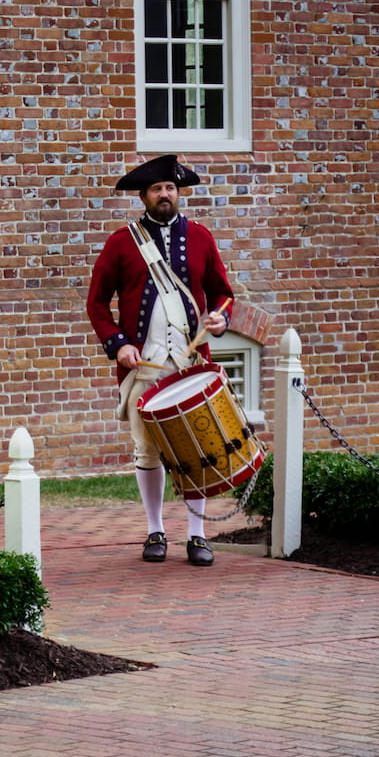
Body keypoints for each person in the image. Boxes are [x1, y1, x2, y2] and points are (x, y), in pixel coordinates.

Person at [86, 155, 235, 566]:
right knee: (146, 449)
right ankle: (155, 530)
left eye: (170, 188)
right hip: (144, 365)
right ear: (143, 196)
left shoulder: (201, 237)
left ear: (179, 192)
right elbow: (97, 303)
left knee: (198, 447)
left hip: (190, 363)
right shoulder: (121, 242)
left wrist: (220, 319)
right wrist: (118, 344)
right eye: (157, 189)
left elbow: (223, 293)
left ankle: (198, 535)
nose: (165, 195)